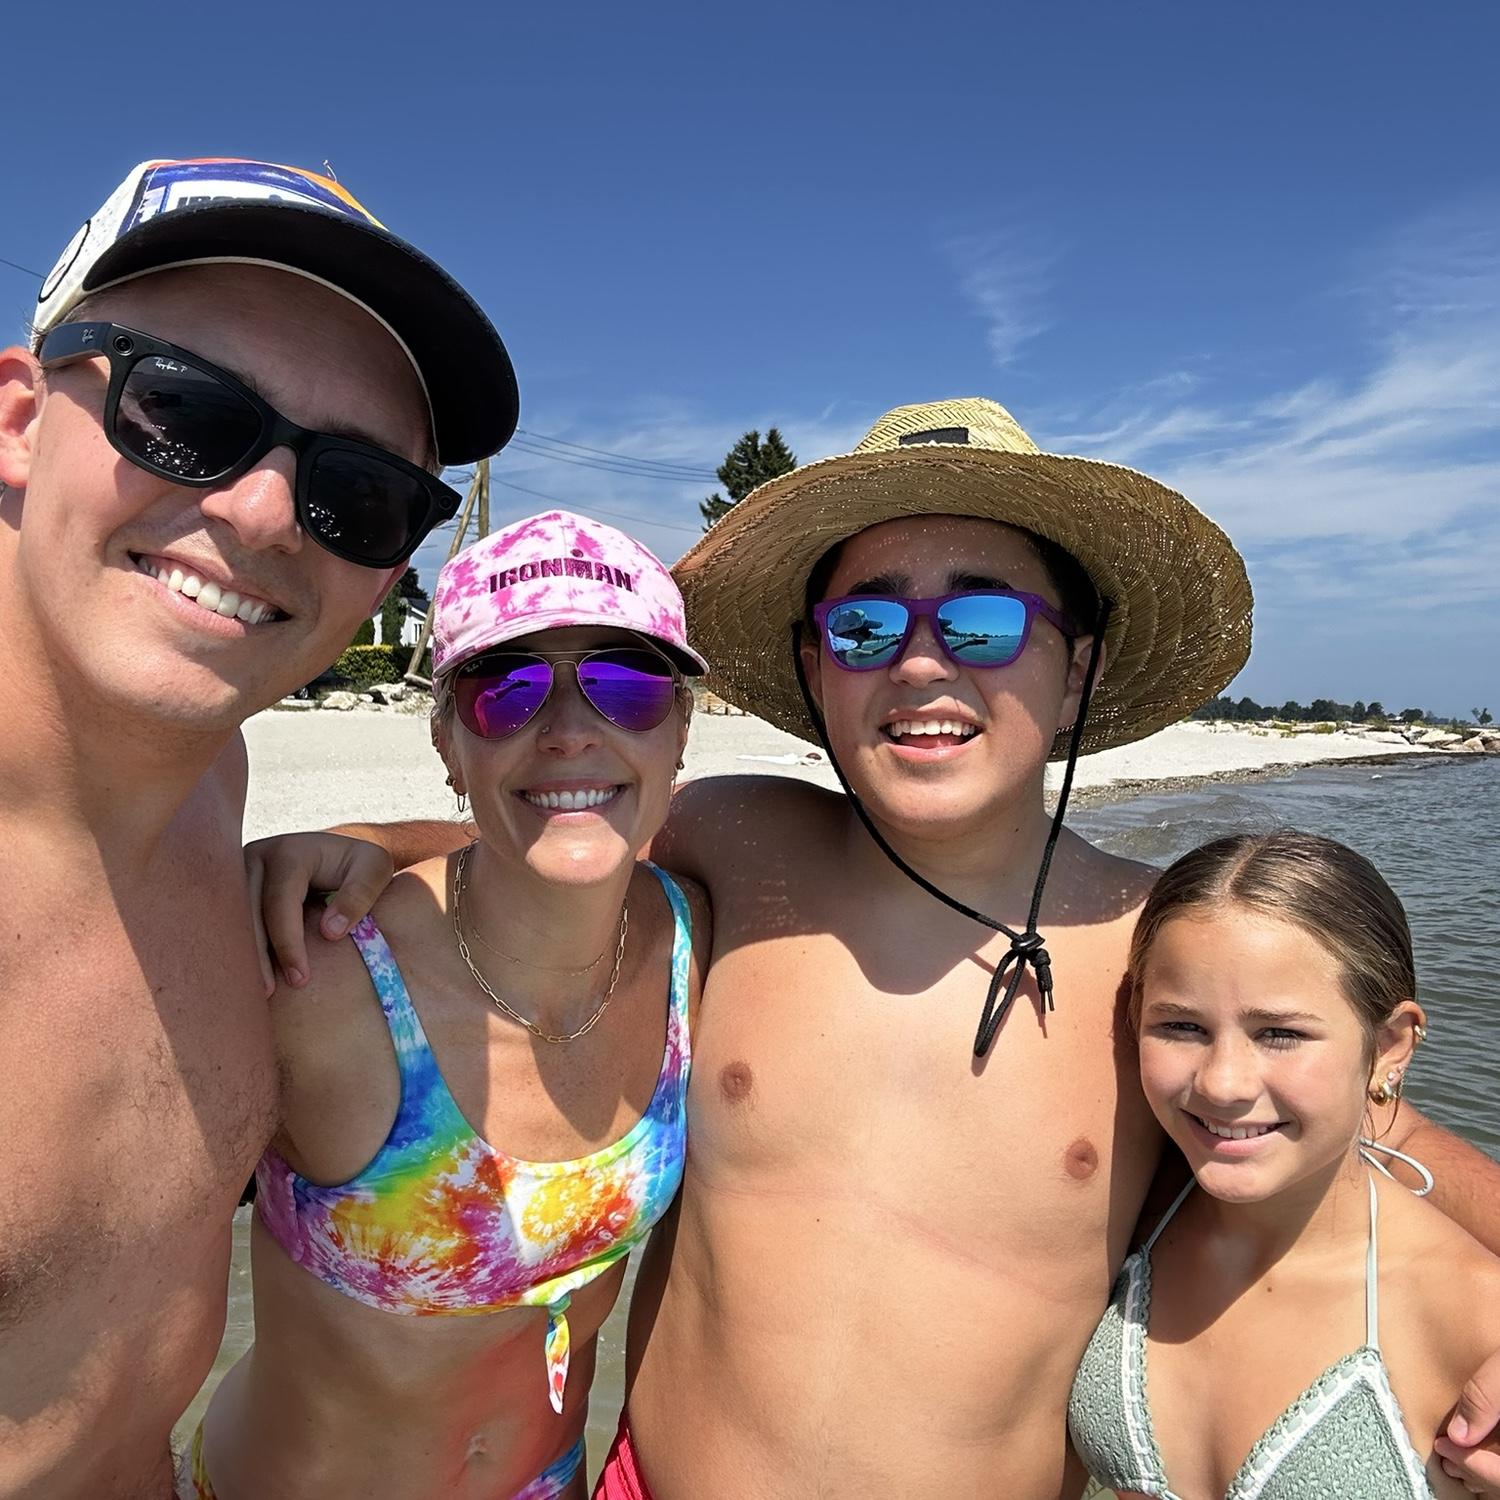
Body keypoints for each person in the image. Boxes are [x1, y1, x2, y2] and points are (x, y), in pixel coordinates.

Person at [258, 399, 1500, 1498]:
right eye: (864, 629)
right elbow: (561, 824)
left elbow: (1359, 1126)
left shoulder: (1151, 950)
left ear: (1077, 671)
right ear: (816, 669)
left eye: (981, 621)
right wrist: (365, 839)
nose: (918, 664)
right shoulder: (742, 844)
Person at [0, 156, 517, 1500]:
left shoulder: (205, 775)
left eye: (359, 492)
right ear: (18, 420)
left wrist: (377, 845)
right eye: (184, 412)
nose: (266, 512)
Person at [187, 512, 709, 1500]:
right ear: (446, 740)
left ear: (681, 727)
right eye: (506, 691)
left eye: (627, 685)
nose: (570, 730)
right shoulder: (317, 973)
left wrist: (383, 835)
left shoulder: (695, 943)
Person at [1068, 831, 1500, 1498]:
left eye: (1280, 1033)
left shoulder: (1470, 1317)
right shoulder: (1128, 1215)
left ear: (1390, 1047)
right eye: (1181, 1026)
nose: (1222, 1083)